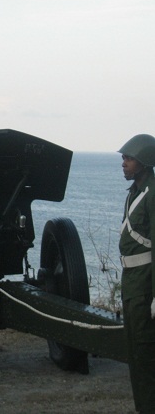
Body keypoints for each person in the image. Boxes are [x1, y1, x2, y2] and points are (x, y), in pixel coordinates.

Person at [118, 134, 155, 414]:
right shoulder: (135, 192)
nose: (124, 163)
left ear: (143, 162)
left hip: (145, 285)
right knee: (135, 353)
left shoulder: (152, 194)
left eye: (128, 159)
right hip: (132, 283)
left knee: (146, 355)